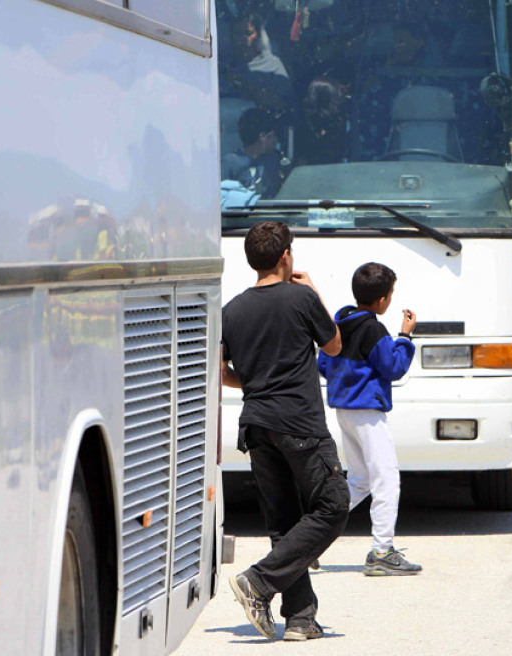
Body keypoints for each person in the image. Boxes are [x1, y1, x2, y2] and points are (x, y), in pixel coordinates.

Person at [222, 221, 349, 641]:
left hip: (256, 425)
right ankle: (258, 582)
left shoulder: (233, 309)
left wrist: (258, 383)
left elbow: (222, 373)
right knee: (334, 505)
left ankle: (300, 620)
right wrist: (314, 292)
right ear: (285, 256)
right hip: (299, 423)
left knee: (285, 523)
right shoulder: (300, 298)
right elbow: (334, 346)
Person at [317, 262, 423, 576]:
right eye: (390, 294)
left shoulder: (339, 320)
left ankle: (307, 540)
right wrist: (404, 337)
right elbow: (393, 367)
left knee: (360, 480)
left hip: (343, 409)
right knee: (386, 479)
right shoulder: (374, 328)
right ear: (381, 301)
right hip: (367, 410)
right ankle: (382, 551)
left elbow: (324, 364)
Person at [222, 107, 287, 199]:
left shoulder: (275, 158)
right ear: (263, 136)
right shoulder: (230, 162)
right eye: (273, 135)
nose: (276, 140)